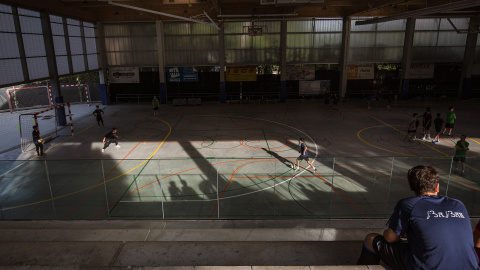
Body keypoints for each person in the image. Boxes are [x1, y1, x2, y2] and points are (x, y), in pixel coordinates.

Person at [357, 165, 479, 270]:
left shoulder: (409, 204)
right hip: (471, 266)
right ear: (437, 187)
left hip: (428, 267)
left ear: (411, 187)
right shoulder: (458, 204)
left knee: (371, 239)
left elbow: (390, 238)